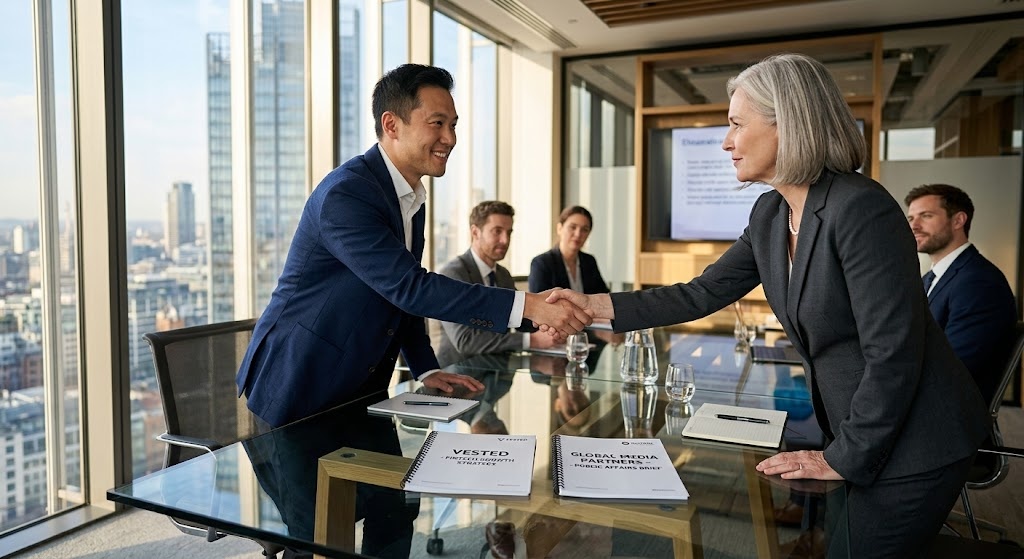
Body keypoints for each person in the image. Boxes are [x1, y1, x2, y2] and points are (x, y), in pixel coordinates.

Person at [546, 53, 989, 558]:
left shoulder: (859, 207)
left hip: (916, 442)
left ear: (789, 124)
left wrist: (843, 458)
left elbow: (894, 352)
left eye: (736, 124)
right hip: (857, 430)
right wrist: (590, 304)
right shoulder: (771, 213)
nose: (726, 141)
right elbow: (700, 293)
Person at [236, 64, 589, 429]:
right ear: (392, 125)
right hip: (301, 383)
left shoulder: (410, 197)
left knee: (388, 487)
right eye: (437, 123)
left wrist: (426, 367)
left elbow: (398, 297)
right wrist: (527, 305)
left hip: (362, 386)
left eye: (453, 125)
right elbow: (410, 287)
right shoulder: (347, 194)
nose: (450, 138)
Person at [905, 183, 1017, 403]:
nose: (914, 226)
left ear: (958, 220)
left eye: (926, 216)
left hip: (945, 411)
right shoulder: (929, 279)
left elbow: (953, 367)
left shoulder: (980, 282)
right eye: (911, 218)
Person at [434, 201, 558, 367]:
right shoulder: (454, 274)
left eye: (509, 232)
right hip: (458, 374)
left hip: (497, 373)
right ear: (475, 232)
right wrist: (532, 340)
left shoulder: (502, 274)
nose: (505, 240)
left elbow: (521, 319)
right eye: (497, 231)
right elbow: (466, 340)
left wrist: (551, 325)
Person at [529, 206, 611, 295]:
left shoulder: (589, 261)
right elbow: (539, 303)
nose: (578, 234)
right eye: (572, 227)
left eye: (585, 229)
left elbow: (603, 295)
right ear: (559, 228)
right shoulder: (542, 263)